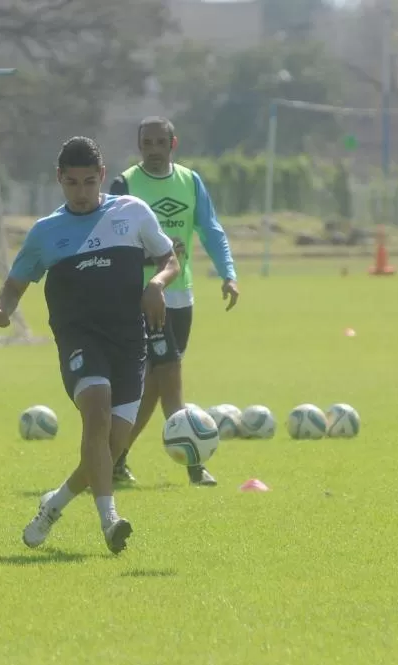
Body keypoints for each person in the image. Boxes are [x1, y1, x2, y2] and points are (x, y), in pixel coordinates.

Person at [0, 136, 179, 554]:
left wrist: (157, 284)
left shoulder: (132, 212)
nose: (81, 193)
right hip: (79, 338)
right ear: (59, 180)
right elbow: (15, 284)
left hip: (128, 341)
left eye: (89, 182)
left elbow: (170, 258)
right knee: (96, 410)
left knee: (109, 448)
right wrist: (1, 310)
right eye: (72, 183)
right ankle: (110, 521)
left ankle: (54, 504)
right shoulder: (46, 232)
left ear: (103, 176)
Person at [109, 117, 239, 487]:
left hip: (182, 296)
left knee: (153, 382)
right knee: (170, 373)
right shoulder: (125, 184)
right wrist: (153, 260)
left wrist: (228, 273)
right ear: (139, 146)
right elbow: (112, 241)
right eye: (146, 143)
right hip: (143, 297)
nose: (152, 149)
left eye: (159, 142)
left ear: (172, 144)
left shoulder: (190, 181)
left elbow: (211, 229)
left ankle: (114, 458)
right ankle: (194, 464)